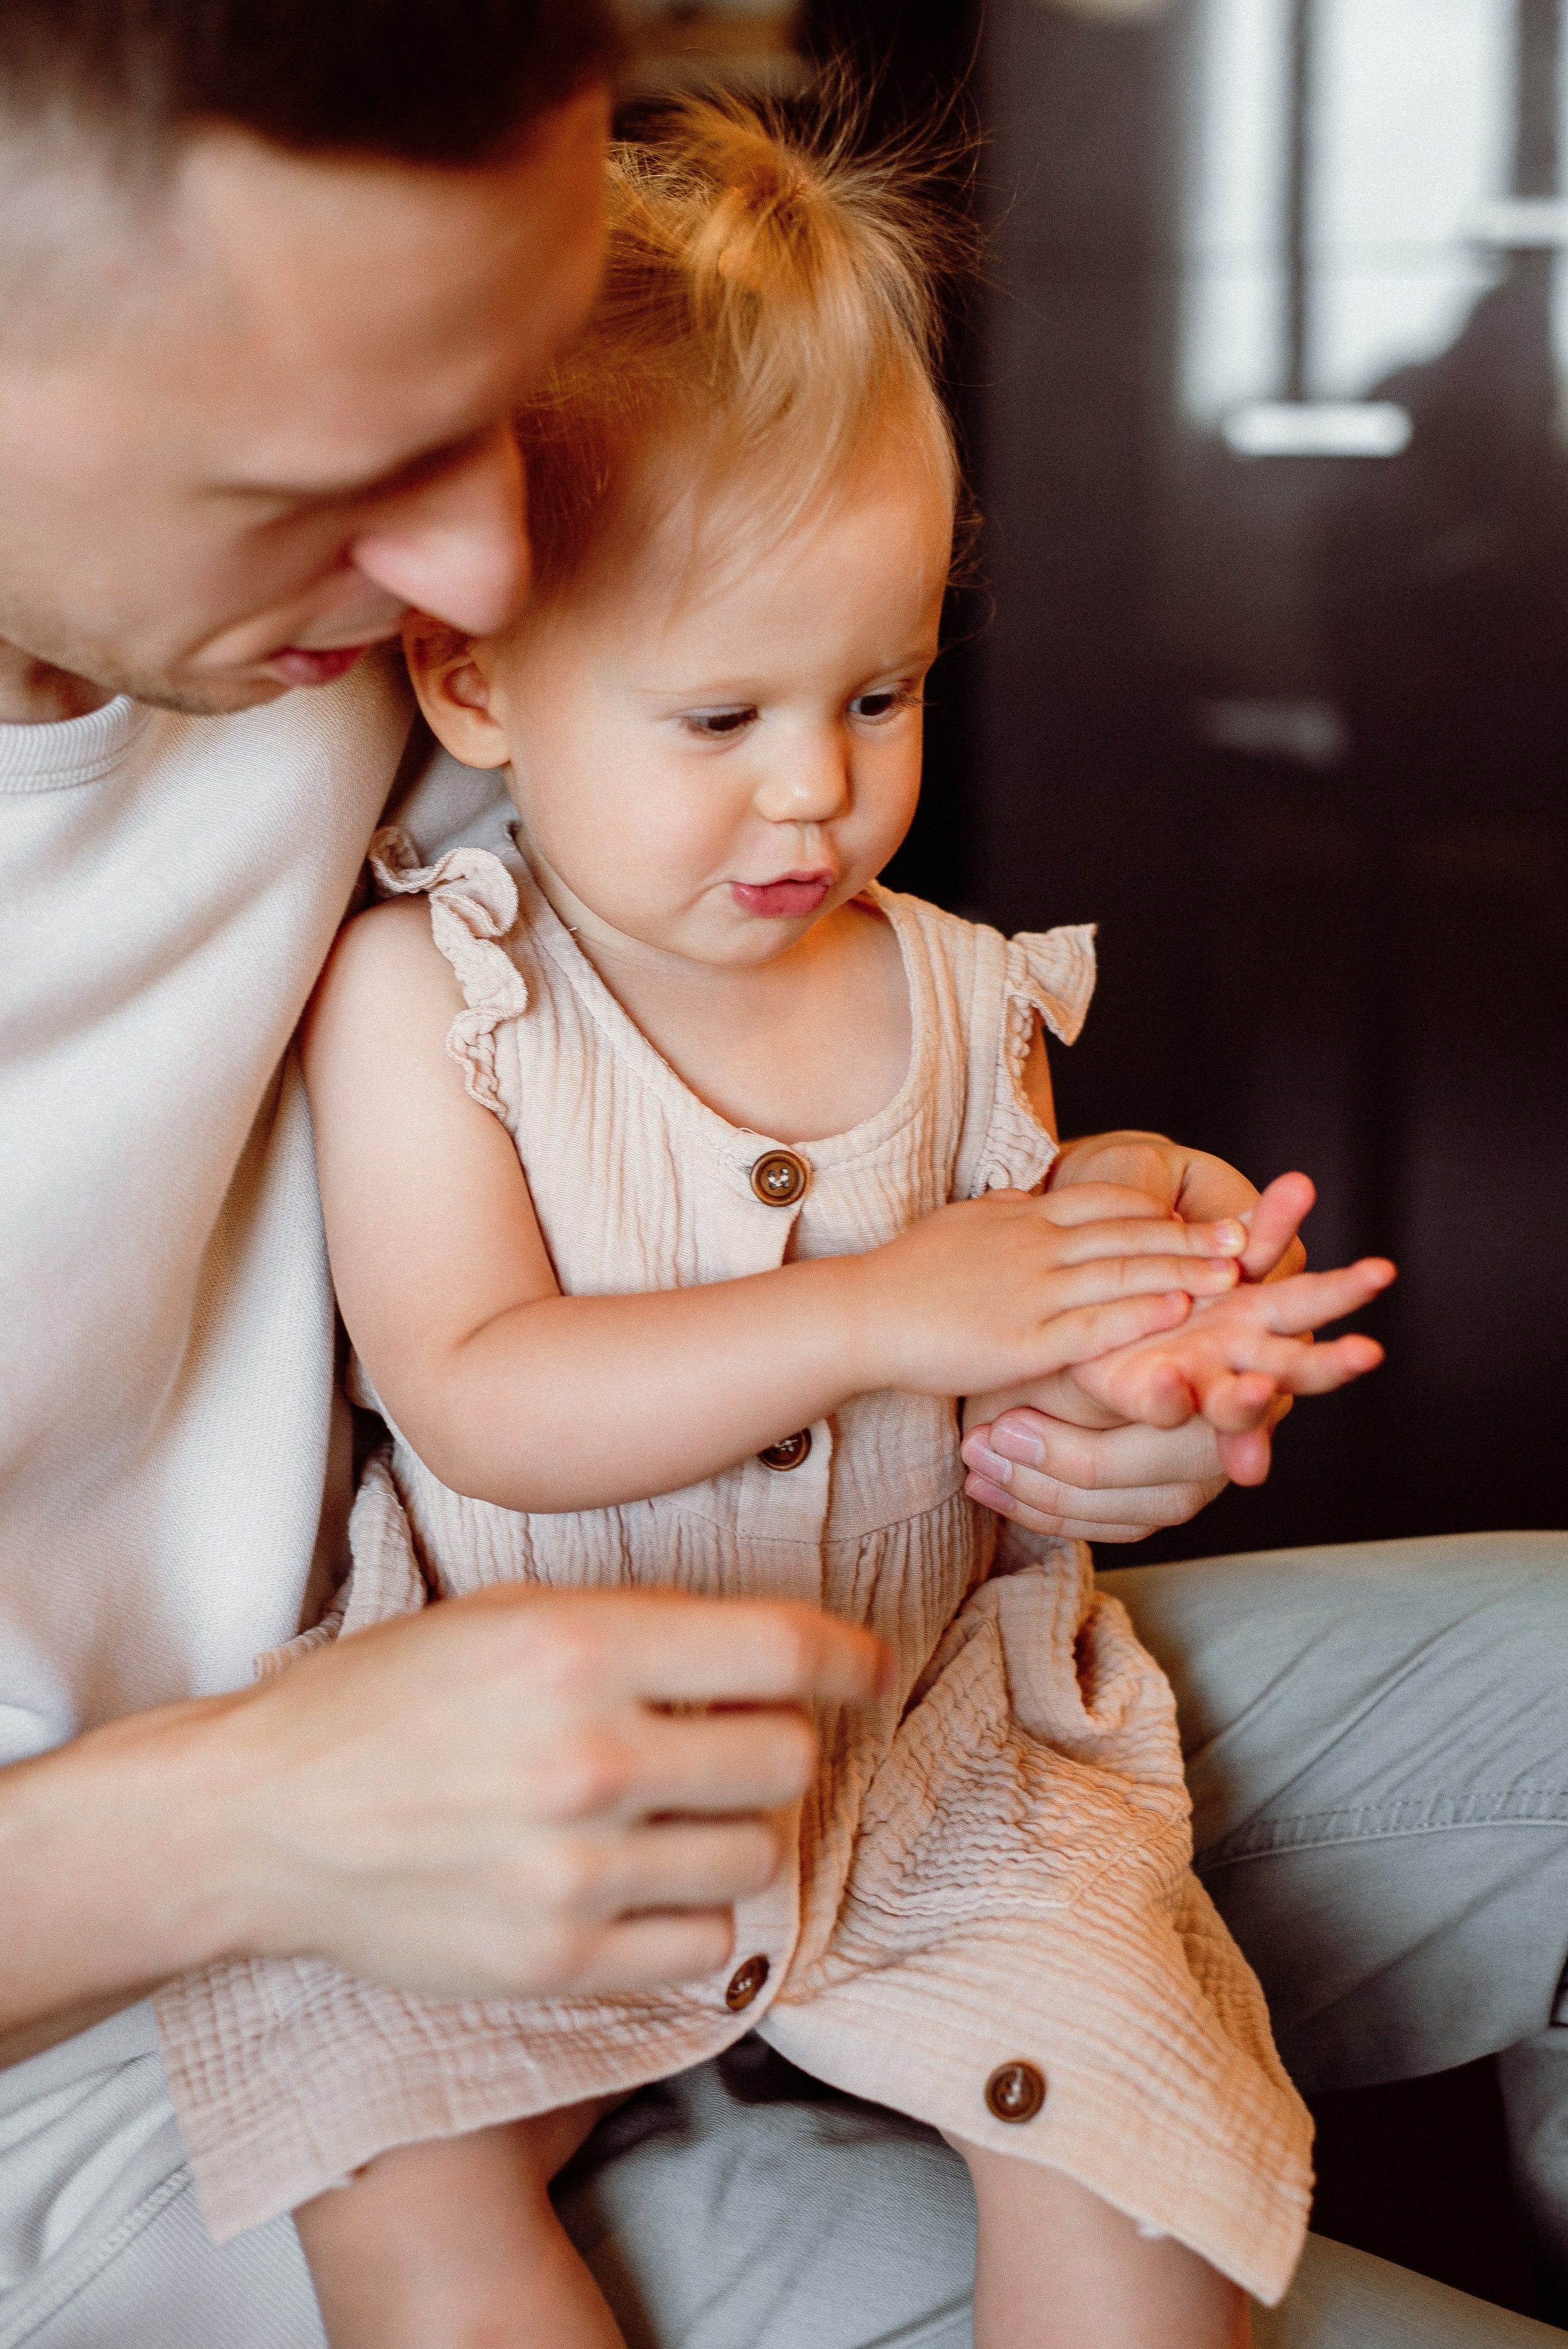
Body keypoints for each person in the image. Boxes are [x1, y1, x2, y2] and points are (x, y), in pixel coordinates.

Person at [0, 7, 1562, 2347]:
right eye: (353, 446)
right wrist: (242, 1820)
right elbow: (497, 1353)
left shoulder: (366, 637)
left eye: (492, 387)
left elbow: (775, 1025)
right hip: (143, 2012)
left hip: (874, 1726)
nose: (487, 553)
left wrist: (1105, 1338)